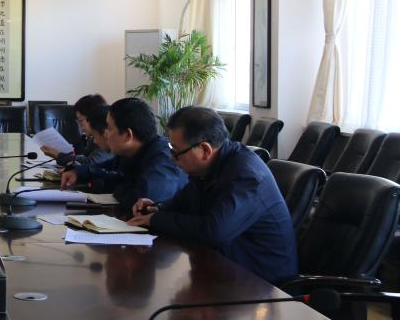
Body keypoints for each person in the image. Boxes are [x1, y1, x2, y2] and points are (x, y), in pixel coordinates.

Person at [127, 106, 298, 284]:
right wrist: (156, 208)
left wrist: (155, 220)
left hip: (262, 283)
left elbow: (214, 231)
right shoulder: (211, 166)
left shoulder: (246, 176)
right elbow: (183, 202)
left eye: (176, 152)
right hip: (224, 268)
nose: (171, 158)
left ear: (205, 150)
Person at [60, 97, 187, 210]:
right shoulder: (130, 153)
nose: (106, 135)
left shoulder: (164, 158)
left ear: (127, 135)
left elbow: (142, 200)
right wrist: (79, 172)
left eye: (109, 128)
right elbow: (105, 167)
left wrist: (119, 187)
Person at [41, 94, 112, 171]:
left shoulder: (107, 138)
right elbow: (86, 157)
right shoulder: (92, 137)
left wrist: (58, 155)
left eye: (80, 121)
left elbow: (90, 162)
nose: (79, 125)